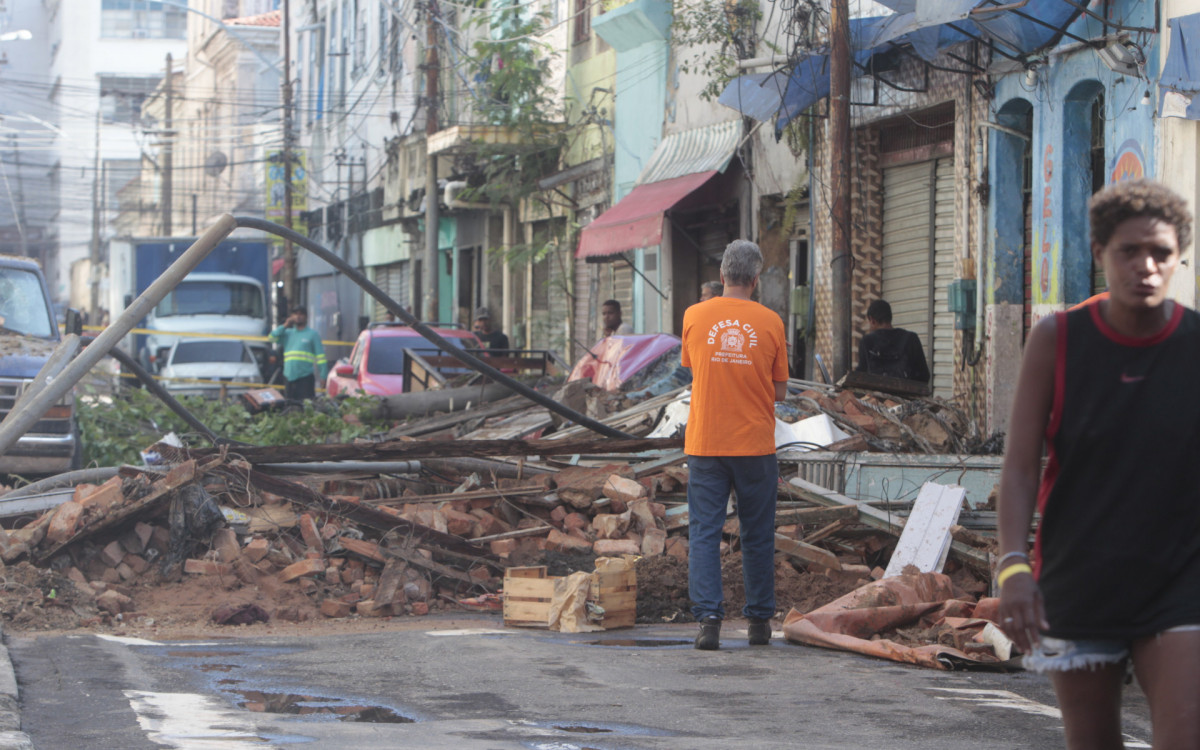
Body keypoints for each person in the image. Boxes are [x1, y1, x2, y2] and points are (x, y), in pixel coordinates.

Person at [997, 179, 1200, 749]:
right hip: (1081, 574)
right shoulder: (1057, 339)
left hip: (1180, 576)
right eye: (1128, 251)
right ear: (1098, 255)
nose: (1146, 266)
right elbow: (1018, 467)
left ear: (1178, 255)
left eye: (1160, 252)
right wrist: (1013, 566)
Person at [681, 239, 789, 650]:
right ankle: (759, 623)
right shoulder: (771, 322)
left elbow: (693, 368)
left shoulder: (694, 315)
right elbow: (779, 391)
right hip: (755, 446)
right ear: (756, 279)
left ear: (723, 275)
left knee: (705, 532)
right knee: (757, 534)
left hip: (706, 443)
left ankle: (709, 621)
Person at [856, 299, 930, 383]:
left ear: (872, 320)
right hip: (907, 395)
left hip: (876, 395)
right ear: (890, 317)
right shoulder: (911, 338)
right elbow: (924, 376)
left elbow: (860, 377)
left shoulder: (867, 341)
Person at [269, 306, 326, 401]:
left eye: (301, 314)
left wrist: (323, 376)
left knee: (306, 407)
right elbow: (271, 338)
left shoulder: (312, 335)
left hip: (305, 377)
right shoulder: (287, 333)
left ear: (306, 317)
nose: (298, 316)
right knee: (289, 407)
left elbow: (321, 357)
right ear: (291, 317)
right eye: (295, 314)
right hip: (289, 377)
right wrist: (284, 325)